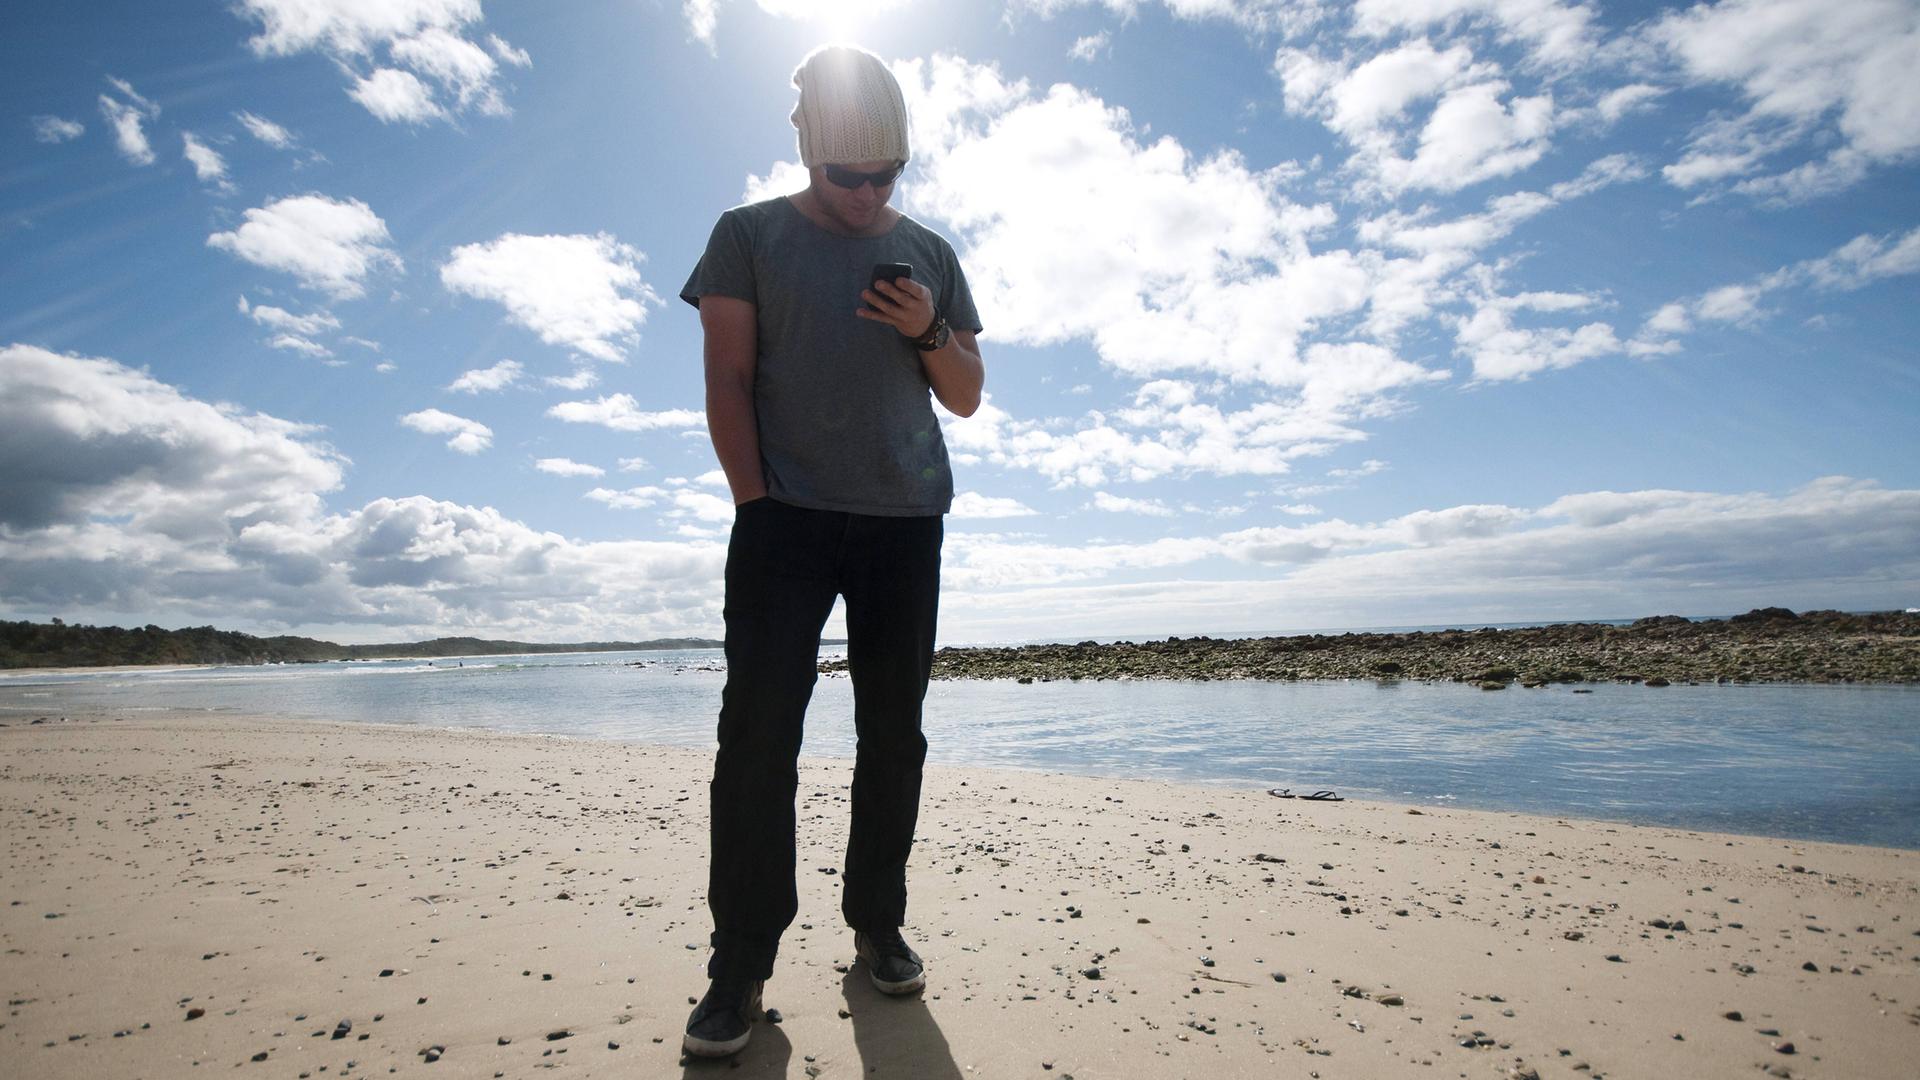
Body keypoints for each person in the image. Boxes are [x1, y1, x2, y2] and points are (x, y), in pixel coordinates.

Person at [676, 44, 985, 1059]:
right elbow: (727, 380)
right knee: (757, 739)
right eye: (848, 173)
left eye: (886, 174)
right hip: (786, 521)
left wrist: (928, 327)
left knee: (894, 736)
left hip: (906, 521)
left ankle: (878, 925)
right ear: (809, 151)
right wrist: (756, 503)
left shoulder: (931, 253)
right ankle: (739, 965)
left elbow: (966, 394)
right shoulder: (748, 235)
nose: (867, 193)